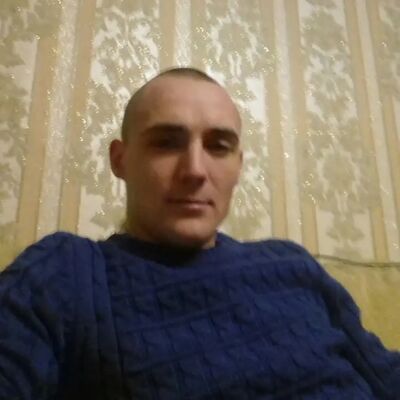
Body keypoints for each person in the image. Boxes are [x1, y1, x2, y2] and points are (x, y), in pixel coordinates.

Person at [0, 67, 399, 400]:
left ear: (238, 166)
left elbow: (383, 374)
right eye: (166, 143)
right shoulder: (65, 272)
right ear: (120, 160)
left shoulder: (292, 263)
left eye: (219, 146)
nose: (194, 170)